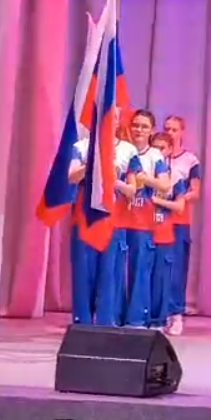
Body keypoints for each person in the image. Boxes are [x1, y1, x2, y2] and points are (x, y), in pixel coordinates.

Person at [69, 107, 141, 326]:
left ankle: (106, 324)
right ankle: (82, 324)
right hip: (86, 220)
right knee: (84, 273)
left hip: (114, 221)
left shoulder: (128, 150)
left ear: (118, 122)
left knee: (110, 275)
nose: (109, 120)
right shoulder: (81, 147)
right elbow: (71, 177)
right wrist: (93, 163)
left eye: (114, 117)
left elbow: (132, 190)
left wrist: (112, 179)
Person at [123, 110, 171, 328]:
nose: (139, 130)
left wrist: (144, 178)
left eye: (144, 126)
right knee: (118, 272)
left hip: (142, 222)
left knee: (140, 270)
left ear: (151, 130)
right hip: (119, 221)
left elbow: (165, 185)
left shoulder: (155, 156)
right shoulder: (122, 149)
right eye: (135, 125)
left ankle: (136, 319)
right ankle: (116, 316)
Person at [163, 115, 202, 336]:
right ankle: (157, 314)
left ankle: (176, 314)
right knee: (157, 269)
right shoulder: (157, 155)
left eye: (174, 129)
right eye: (167, 129)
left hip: (178, 221)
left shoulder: (190, 160)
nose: (170, 133)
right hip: (156, 220)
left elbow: (195, 192)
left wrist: (178, 198)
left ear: (182, 132)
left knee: (176, 269)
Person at [149, 132, 187, 331]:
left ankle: (159, 320)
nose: (158, 152)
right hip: (143, 232)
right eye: (154, 147)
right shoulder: (144, 171)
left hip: (164, 234)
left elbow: (179, 206)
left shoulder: (175, 177)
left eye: (162, 148)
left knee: (161, 280)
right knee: (142, 278)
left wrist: (156, 201)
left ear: (170, 150)